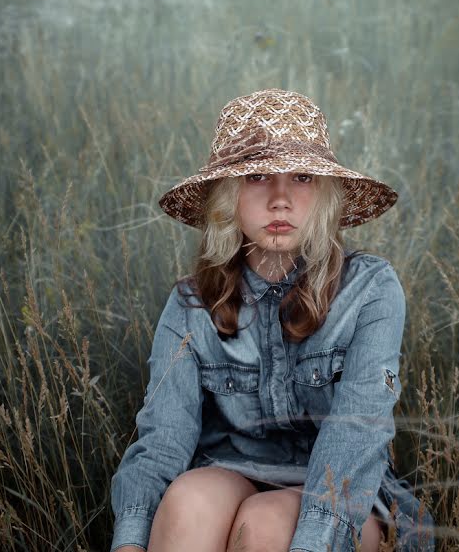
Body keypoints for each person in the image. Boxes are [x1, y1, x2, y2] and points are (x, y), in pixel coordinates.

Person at [110, 88, 435, 552]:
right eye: (257, 175)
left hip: (340, 493)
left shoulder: (370, 289)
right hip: (229, 468)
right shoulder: (191, 303)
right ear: (228, 196)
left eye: (302, 177)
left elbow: (356, 432)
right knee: (186, 501)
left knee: (264, 524)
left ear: (323, 194)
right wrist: (130, 542)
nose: (280, 199)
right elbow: (163, 436)